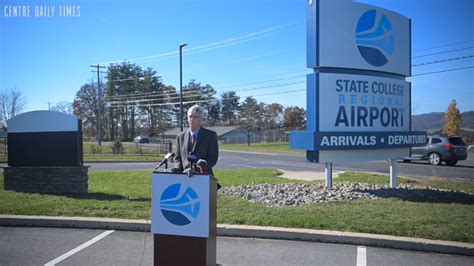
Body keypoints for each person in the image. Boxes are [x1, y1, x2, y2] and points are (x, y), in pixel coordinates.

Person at [174, 105, 219, 177]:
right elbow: (177, 158)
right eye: (190, 116)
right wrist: (178, 170)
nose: (191, 119)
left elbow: (213, 158)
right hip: (183, 176)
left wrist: (200, 167)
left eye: (195, 117)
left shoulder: (210, 136)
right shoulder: (180, 137)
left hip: (203, 176)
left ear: (201, 119)